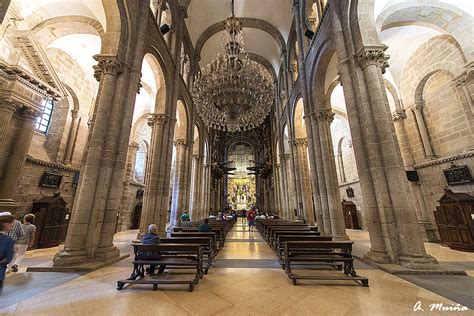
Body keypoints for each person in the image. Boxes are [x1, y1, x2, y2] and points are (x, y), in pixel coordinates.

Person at [0, 213, 15, 294]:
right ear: (6, 224)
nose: (12, 226)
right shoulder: (8, 240)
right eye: (12, 224)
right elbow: (8, 259)